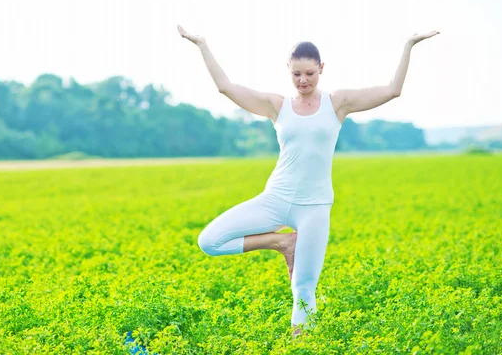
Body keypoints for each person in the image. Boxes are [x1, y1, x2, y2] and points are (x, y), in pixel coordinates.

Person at [177, 25, 439, 337]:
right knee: (209, 241)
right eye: (297, 74)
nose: (303, 81)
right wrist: (202, 44)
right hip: (274, 199)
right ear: (288, 71)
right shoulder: (278, 106)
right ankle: (280, 242)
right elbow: (225, 87)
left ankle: (301, 345)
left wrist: (408, 44)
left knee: (303, 288)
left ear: (321, 70)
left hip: (314, 207)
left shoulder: (337, 103)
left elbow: (392, 89)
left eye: (310, 74)